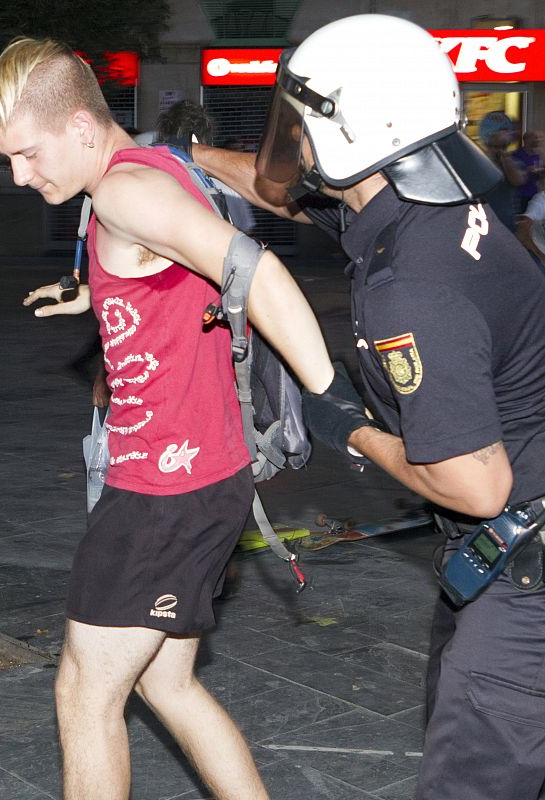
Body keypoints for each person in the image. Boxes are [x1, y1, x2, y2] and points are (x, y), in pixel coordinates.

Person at [0, 37, 335, 800]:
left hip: (166, 492)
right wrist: (94, 294)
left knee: (84, 693)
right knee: (166, 686)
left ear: (78, 125)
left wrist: (330, 393)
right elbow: (169, 277)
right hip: (205, 475)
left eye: (27, 154)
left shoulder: (123, 193)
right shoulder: (156, 168)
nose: (19, 175)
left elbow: (249, 266)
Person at [191, 14, 545, 800]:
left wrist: (343, 422)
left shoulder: (407, 288)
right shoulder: (440, 208)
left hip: (523, 577)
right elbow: (285, 197)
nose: (295, 142)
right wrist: (177, 157)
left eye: (305, 126)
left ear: (353, 134)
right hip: (505, 554)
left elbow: (474, 486)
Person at [512, 129, 545, 213]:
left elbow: (539, 177)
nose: (538, 140)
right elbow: (512, 175)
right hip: (520, 196)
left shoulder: (537, 155)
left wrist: (541, 172)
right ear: (527, 139)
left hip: (534, 194)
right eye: (535, 138)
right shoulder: (517, 154)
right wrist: (527, 170)